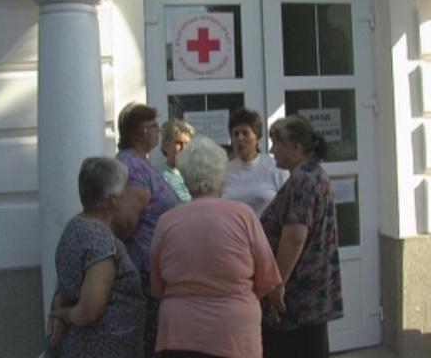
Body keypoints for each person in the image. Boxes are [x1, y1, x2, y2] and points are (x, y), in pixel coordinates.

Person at [150, 135, 282, 358]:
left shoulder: (167, 222)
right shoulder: (244, 216)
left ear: (184, 176)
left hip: (180, 334)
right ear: (221, 173)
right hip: (234, 334)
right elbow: (267, 279)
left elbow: (157, 287)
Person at [260, 114, 343, 358]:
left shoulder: (303, 181)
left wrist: (276, 284)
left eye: (278, 143)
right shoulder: (315, 174)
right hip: (312, 296)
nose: (273, 149)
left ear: (296, 147)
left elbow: (295, 236)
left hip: (298, 298)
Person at [46, 157, 145, 357]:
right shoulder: (100, 242)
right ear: (112, 200)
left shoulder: (75, 224)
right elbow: (90, 311)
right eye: (124, 189)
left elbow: (64, 280)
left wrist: (58, 308)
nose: (127, 194)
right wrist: (62, 314)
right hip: (101, 347)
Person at [112, 102, 181, 357]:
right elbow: (125, 223)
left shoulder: (140, 162)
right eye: (153, 127)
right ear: (139, 131)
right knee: (151, 341)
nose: (157, 132)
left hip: (154, 268)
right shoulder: (133, 166)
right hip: (144, 271)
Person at [222, 107, 288, 216]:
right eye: (236, 134)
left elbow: (287, 205)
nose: (240, 138)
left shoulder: (275, 167)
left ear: (257, 138)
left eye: (245, 133)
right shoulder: (224, 171)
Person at [157, 118, 195, 201]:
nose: (184, 148)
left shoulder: (197, 174)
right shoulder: (158, 177)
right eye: (178, 143)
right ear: (166, 146)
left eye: (187, 143)